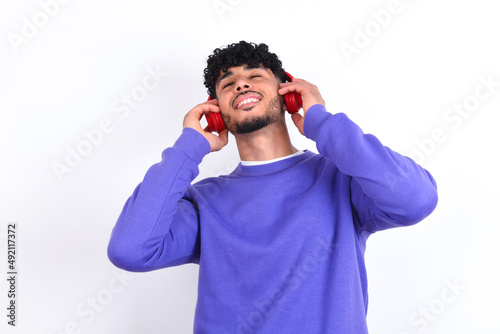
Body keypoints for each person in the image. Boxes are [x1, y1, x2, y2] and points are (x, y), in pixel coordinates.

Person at [107, 41, 438, 333]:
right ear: (216, 112)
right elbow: (130, 250)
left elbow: (416, 199)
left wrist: (323, 122)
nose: (241, 85)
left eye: (255, 76)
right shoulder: (203, 202)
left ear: (288, 94)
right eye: (228, 83)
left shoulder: (341, 179)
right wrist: (189, 147)